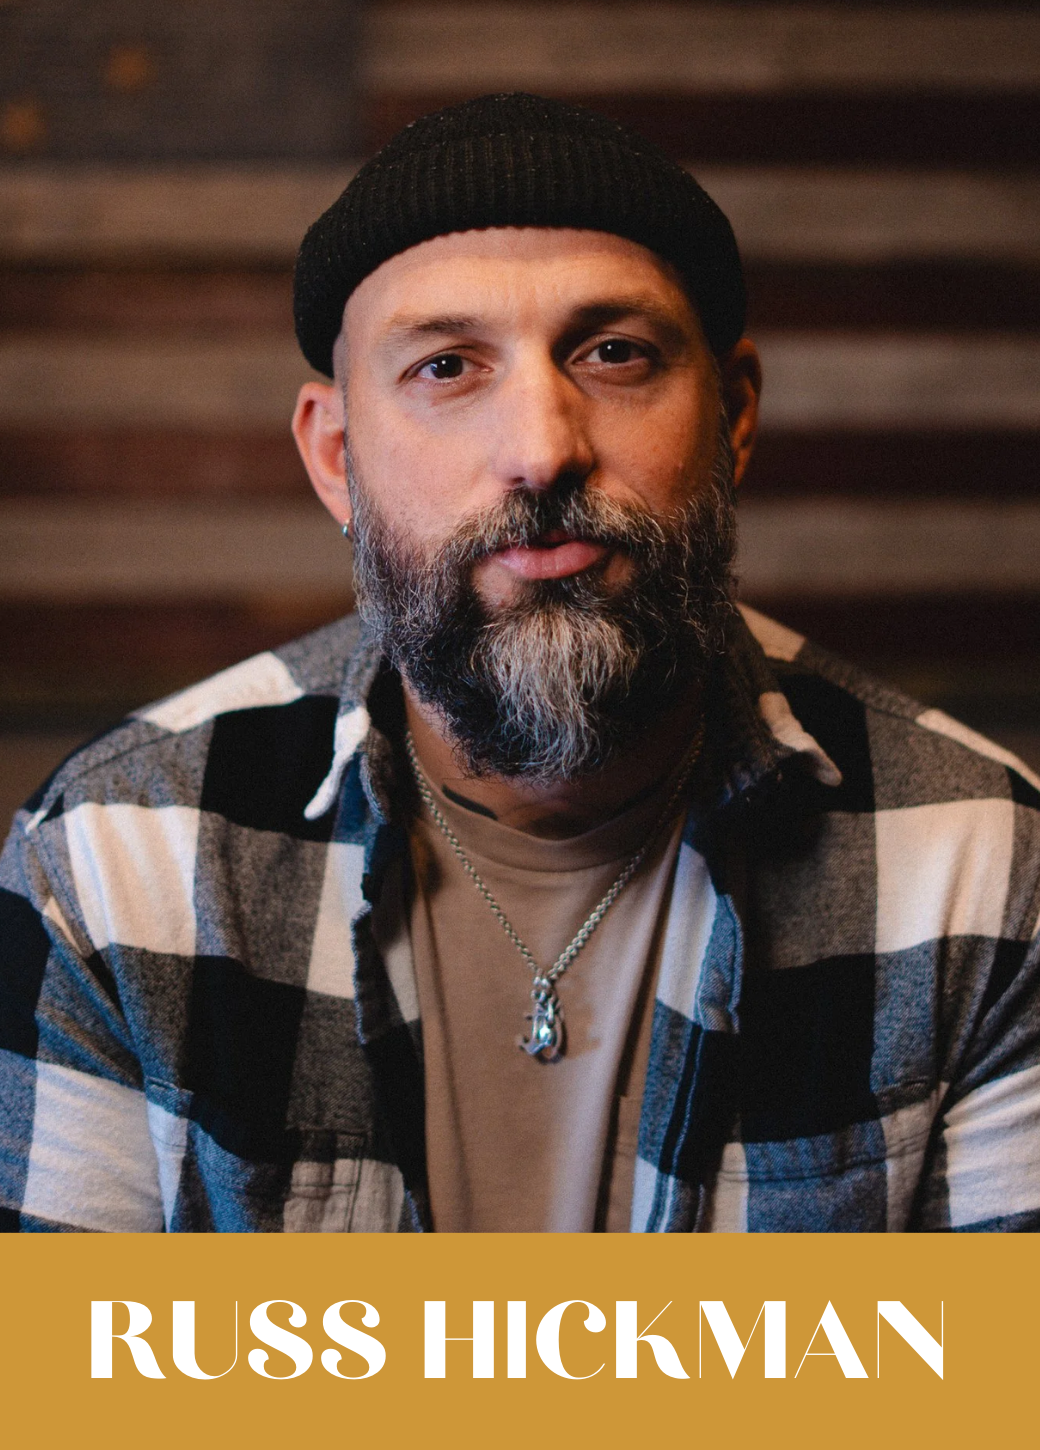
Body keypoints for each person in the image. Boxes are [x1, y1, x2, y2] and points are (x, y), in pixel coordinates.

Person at [2, 94, 1038, 1234]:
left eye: (614, 353)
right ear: (337, 457)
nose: (542, 446)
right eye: (446, 366)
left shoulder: (984, 865)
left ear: (732, 418)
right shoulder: (109, 862)